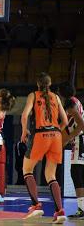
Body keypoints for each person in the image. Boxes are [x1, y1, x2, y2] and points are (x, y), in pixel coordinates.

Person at [21, 73, 68, 223]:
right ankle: (60, 212)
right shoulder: (56, 97)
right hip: (56, 135)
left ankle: (36, 205)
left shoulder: (33, 95)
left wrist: (24, 131)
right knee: (51, 175)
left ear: (37, 84)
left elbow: (24, 115)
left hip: (40, 135)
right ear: (50, 84)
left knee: (27, 170)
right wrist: (56, 131)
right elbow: (65, 121)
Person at [58, 82, 84, 219]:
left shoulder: (71, 103)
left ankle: (82, 209)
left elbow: (81, 124)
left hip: (80, 140)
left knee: (77, 174)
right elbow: (69, 125)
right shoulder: (75, 101)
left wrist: (68, 139)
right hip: (78, 140)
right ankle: (82, 208)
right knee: (77, 174)